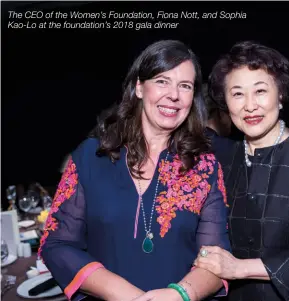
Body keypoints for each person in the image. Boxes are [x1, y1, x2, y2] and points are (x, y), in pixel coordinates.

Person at [39, 40, 230, 301]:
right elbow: (58, 244)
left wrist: (180, 295)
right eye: (162, 81)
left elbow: (215, 256)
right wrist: (129, 297)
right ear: (139, 87)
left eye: (184, 86)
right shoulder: (91, 156)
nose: (174, 95)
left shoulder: (204, 165)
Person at [194, 41, 289, 301]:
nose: (250, 106)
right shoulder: (224, 159)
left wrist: (239, 268)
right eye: (237, 94)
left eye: (260, 91)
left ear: (281, 94)